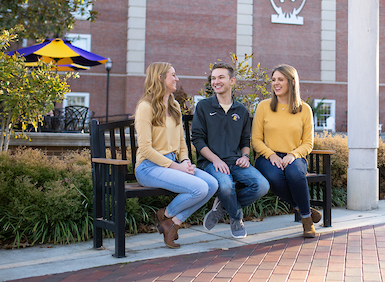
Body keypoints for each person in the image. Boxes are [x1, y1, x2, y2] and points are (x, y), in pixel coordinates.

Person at [134, 62, 218, 249]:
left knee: (212, 184)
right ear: (160, 78)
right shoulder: (145, 107)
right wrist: (177, 167)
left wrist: (185, 161)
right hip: (148, 167)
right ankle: (166, 215)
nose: (177, 79)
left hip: (172, 164)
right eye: (173, 75)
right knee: (199, 188)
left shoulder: (174, 106)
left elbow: (181, 141)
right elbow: (145, 148)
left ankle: (172, 221)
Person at [192, 62, 269, 238]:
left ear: (232, 81)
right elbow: (197, 139)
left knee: (262, 186)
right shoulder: (203, 107)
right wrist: (215, 160)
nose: (216, 81)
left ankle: (223, 207)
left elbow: (245, 140)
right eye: (213, 78)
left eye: (221, 77)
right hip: (211, 162)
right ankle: (236, 217)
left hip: (235, 162)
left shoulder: (241, 110)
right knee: (226, 187)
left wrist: (245, 156)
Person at [251, 64, 319, 238]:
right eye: (273, 80)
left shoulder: (304, 109)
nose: (276, 83)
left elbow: (308, 143)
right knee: (275, 177)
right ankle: (306, 213)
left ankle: (306, 221)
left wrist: (293, 155)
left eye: (280, 79)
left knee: (295, 174)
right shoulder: (264, 106)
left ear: (292, 82)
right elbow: (256, 139)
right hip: (267, 157)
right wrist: (271, 155)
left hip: (294, 156)